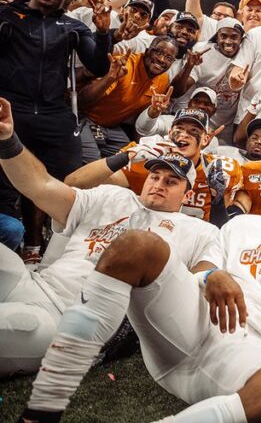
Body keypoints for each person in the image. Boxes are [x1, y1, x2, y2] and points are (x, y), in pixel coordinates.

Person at [17, 165, 261, 423]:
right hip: (193, 317)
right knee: (138, 244)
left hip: (251, 349)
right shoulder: (246, 225)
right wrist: (212, 276)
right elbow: (205, 262)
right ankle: (45, 405)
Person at [0, 95, 216, 378]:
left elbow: (201, 284)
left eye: (171, 181)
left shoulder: (198, 231)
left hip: (67, 322)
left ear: (187, 194)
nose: (159, 184)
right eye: (155, 176)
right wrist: (7, 139)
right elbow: (41, 186)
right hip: (35, 282)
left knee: (12, 323)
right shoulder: (112, 195)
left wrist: (212, 277)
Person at [0, 0, 113, 262]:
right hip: (13, 109)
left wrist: (103, 34)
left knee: (68, 179)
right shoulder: (8, 16)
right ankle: (12, 241)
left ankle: (41, 245)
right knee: (7, 179)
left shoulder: (72, 26)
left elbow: (99, 66)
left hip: (53, 114)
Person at [66, 109, 244, 223]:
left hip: (193, 244)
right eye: (179, 129)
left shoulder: (221, 169)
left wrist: (219, 197)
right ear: (169, 133)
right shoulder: (147, 159)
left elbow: (221, 229)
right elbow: (74, 182)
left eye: (194, 131)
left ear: (206, 139)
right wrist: (125, 156)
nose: (184, 135)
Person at [77, 37, 177, 161]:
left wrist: (154, 112)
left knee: (133, 158)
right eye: (158, 52)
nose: (161, 59)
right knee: (92, 162)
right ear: (147, 51)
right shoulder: (124, 65)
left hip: (112, 127)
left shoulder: (163, 80)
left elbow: (140, 123)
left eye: (169, 58)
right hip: (85, 118)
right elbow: (81, 101)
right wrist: (110, 78)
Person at [173, 17, 246, 130]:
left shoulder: (246, 54)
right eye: (223, 36)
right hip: (196, 120)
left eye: (234, 37)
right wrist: (189, 65)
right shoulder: (203, 52)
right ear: (217, 37)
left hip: (226, 126)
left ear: (241, 39)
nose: (228, 41)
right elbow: (177, 91)